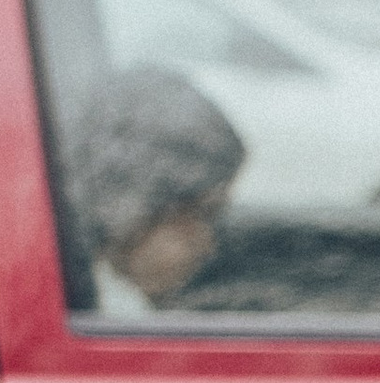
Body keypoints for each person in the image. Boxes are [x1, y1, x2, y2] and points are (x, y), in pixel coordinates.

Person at [64, 65, 246, 312]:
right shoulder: (82, 310)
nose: (207, 246)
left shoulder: (101, 301)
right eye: (197, 215)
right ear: (132, 210)